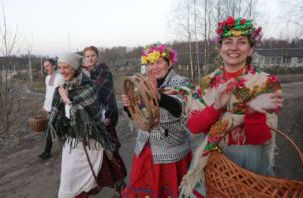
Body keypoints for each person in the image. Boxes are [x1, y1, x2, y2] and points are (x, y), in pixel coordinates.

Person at [179, 16, 283, 197]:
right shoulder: (206, 83)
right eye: (228, 42)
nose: (234, 48)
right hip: (213, 159)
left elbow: (259, 139)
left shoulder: (266, 83)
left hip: (251, 162)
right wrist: (217, 106)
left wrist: (252, 112)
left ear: (251, 50)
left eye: (242, 42)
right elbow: (194, 127)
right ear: (219, 49)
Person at [121, 43, 193, 198]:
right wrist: (128, 106)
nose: (154, 67)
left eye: (159, 62)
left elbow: (179, 108)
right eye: (150, 63)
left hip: (170, 151)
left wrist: (158, 96)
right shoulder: (141, 83)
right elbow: (137, 114)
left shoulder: (181, 82)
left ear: (170, 63)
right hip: (145, 148)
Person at [46, 52, 116, 198]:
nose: (62, 71)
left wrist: (65, 99)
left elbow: (82, 117)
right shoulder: (64, 86)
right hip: (72, 140)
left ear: (75, 67)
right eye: (60, 67)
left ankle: (118, 187)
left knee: (81, 179)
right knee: (68, 178)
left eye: (66, 67)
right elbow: (63, 115)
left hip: (88, 141)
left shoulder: (87, 87)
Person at [82, 46, 127, 194]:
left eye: (93, 55)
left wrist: (108, 116)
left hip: (103, 116)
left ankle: (119, 183)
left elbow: (107, 94)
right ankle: (91, 185)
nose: (90, 58)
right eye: (87, 56)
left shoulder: (104, 71)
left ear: (97, 56)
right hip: (88, 119)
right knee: (93, 154)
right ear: (84, 57)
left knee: (110, 151)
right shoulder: (81, 73)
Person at [38, 59, 65, 159]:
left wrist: (58, 107)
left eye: (48, 65)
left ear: (54, 66)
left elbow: (61, 94)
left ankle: (65, 150)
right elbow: (48, 94)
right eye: (44, 66)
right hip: (49, 108)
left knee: (59, 129)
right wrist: (45, 105)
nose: (46, 68)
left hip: (58, 108)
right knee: (49, 129)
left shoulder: (60, 78)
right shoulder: (47, 78)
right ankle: (47, 151)